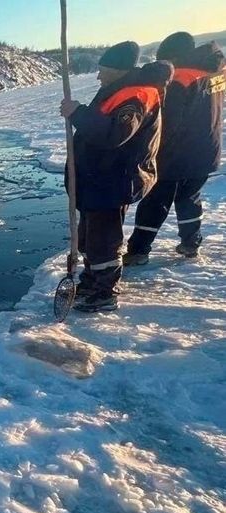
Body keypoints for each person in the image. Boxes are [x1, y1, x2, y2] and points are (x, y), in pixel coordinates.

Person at [60, 41, 172, 312]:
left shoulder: (136, 96)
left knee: (104, 240)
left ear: (118, 70)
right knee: (90, 236)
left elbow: (114, 135)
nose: (98, 76)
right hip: (98, 178)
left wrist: (78, 113)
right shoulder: (119, 90)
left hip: (112, 180)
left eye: (103, 70)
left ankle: (104, 293)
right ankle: (92, 280)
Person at [124, 33, 225, 264]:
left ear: (174, 57)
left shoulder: (179, 78)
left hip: (176, 152)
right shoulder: (215, 70)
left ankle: (139, 250)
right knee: (189, 196)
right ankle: (191, 243)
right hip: (207, 149)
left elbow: (169, 119)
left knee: (155, 199)